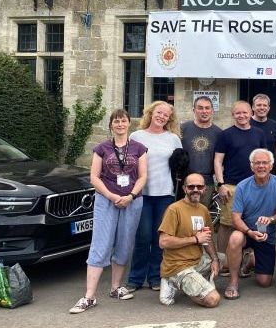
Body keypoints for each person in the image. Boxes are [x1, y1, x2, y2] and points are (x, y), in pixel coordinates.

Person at [69, 109, 148, 314]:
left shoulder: (139, 148)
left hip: (132, 200)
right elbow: (94, 177)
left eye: (123, 121)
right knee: (100, 244)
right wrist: (112, 196)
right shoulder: (101, 148)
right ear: (111, 125)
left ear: (129, 123)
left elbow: (142, 176)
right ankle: (89, 296)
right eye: (116, 121)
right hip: (106, 200)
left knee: (124, 243)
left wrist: (130, 195)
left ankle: (115, 288)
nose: (120, 124)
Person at [127, 101, 182, 292]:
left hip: (165, 193)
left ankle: (156, 277)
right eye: (159, 112)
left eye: (166, 115)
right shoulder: (136, 136)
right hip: (142, 193)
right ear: (151, 113)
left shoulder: (173, 138)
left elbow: (179, 165)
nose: (162, 117)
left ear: (169, 119)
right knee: (142, 237)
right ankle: (135, 278)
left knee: (160, 238)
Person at [224, 149, 276, 299]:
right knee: (235, 238)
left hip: (266, 234)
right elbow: (236, 218)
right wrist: (249, 232)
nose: (261, 166)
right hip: (246, 232)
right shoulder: (242, 186)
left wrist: (271, 219)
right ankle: (233, 282)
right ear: (251, 166)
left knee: (264, 282)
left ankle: (251, 261)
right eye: (257, 163)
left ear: (271, 165)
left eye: (264, 162)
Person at [213, 101, 267, 265]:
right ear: (233, 115)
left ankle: (250, 259)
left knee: (254, 222)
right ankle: (224, 261)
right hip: (231, 186)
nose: (242, 116)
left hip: (255, 186)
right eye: (238, 113)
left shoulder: (259, 134)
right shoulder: (225, 135)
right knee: (226, 224)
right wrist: (220, 184)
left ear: (251, 113)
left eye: (245, 113)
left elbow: (264, 159)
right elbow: (217, 160)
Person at [158, 174, 224, 307]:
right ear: (184, 188)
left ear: (204, 189)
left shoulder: (203, 209)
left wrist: (215, 260)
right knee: (213, 299)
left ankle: (198, 280)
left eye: (199, 186)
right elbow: (163, 242)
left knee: (227, 260)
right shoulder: (174, 209)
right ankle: (172, 281)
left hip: (197, 261)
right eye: (191, 186)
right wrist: (194, 239)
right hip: (177, 266)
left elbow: (207, 238)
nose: (195, 189)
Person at [180, 96, 222, 206]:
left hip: (206, 183)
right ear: (194, 110)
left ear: (212, 110)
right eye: (200, 108)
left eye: (207, 108)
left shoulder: (219, 134)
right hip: (185, 182)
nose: (204, 111)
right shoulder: (182, 129)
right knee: (184, 216)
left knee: (202, 216)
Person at [250, 94, 276, 176]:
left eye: (265, 105)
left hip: (269, 172)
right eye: (259, 105)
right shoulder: (247, 124)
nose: (262, 108)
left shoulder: (275, 125)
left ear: (268, 108)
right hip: (249, 172)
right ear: (253, 107)